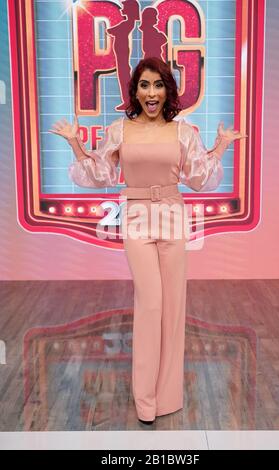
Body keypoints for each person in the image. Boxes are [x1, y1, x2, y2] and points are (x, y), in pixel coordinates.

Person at [49, 57, 247, 426]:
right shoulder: (119, 130)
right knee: (151, 303)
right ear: (135, 91)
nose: (151, 93)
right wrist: (77, 144)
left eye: (158, 85)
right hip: (137, 217)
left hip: (173, 214)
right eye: (144, 85)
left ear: (167, 90)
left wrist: (220, 147)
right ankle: (145, 400)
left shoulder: (184, 132)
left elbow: (200, 177)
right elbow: (100, 172)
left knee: (173, 307)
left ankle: (167, 397)